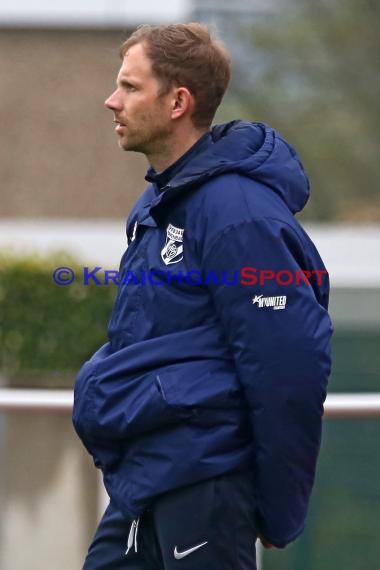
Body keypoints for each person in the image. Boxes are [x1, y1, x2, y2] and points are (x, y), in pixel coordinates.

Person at [73, 22, 332, 570]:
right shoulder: (158, 204)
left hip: (204, 483)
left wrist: (279, 511)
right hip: (146, 481)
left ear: (178, 102)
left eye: (130, 87)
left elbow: (288, 367)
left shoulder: (237, 214)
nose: (111, 101)